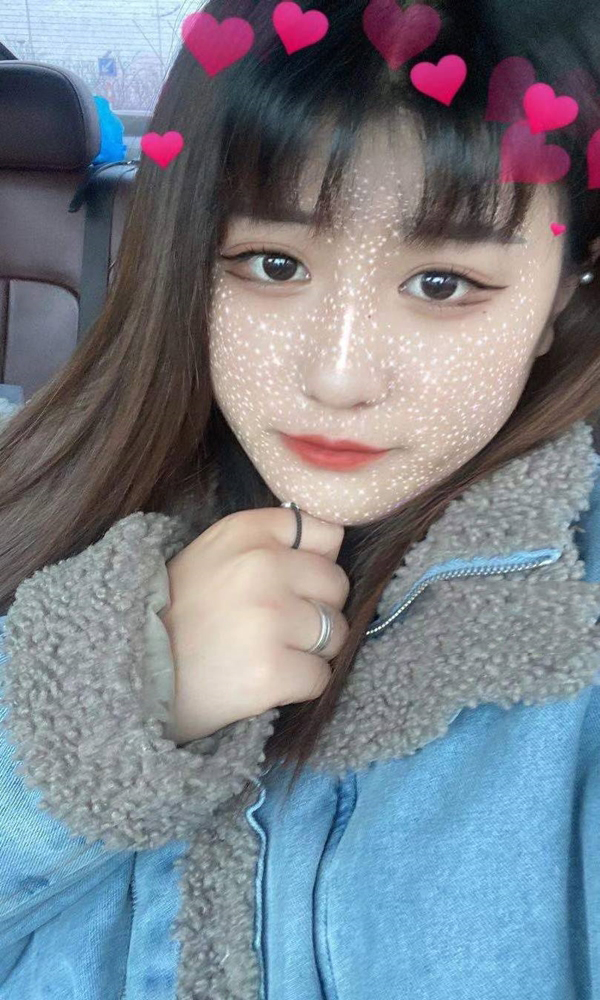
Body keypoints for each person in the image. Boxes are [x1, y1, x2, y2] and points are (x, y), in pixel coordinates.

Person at [1, 0, 600, 996]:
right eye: (273, 264)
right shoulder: (38, 493)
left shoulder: (575, 621)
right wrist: (107, 705)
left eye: (443, 284)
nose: (338, 376)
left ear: (565, 290)